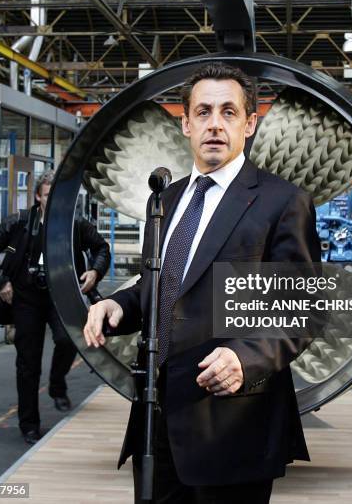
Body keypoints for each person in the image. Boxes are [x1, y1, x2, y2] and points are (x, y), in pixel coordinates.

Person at [83, 63, 322, 504]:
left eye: (229, 112)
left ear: (250, 124)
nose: (216, 123)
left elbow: (299, 311)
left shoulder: (282, 201)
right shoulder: (166, 200)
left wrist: (244, 357)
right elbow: (164, 283)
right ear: (186, 123)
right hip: (156, 423)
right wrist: (120, 305)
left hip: (231, 426)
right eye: (205, 111)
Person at [0, 170, 110, 445]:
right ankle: (29, 424)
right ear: (38, 197)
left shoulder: (75, 224)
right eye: (48, 195)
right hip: (25, 297)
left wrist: (95, 272)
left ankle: (57, 383)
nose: (53, 200)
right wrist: (0, 282)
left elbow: (101, 248)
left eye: (57, 195)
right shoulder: (19, 222)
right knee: (28, 362)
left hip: (60, 294)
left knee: (68, 339)